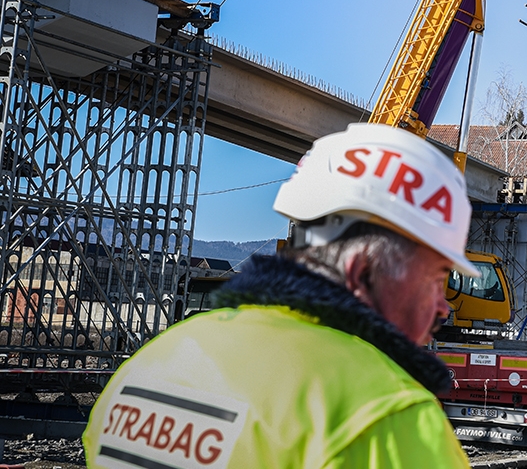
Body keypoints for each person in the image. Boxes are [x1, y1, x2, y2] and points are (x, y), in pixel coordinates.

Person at [82, 123, 477, 467]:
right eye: (436, 278)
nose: (442, 306)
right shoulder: (386, 414)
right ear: (364, 272)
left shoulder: (149, 364)